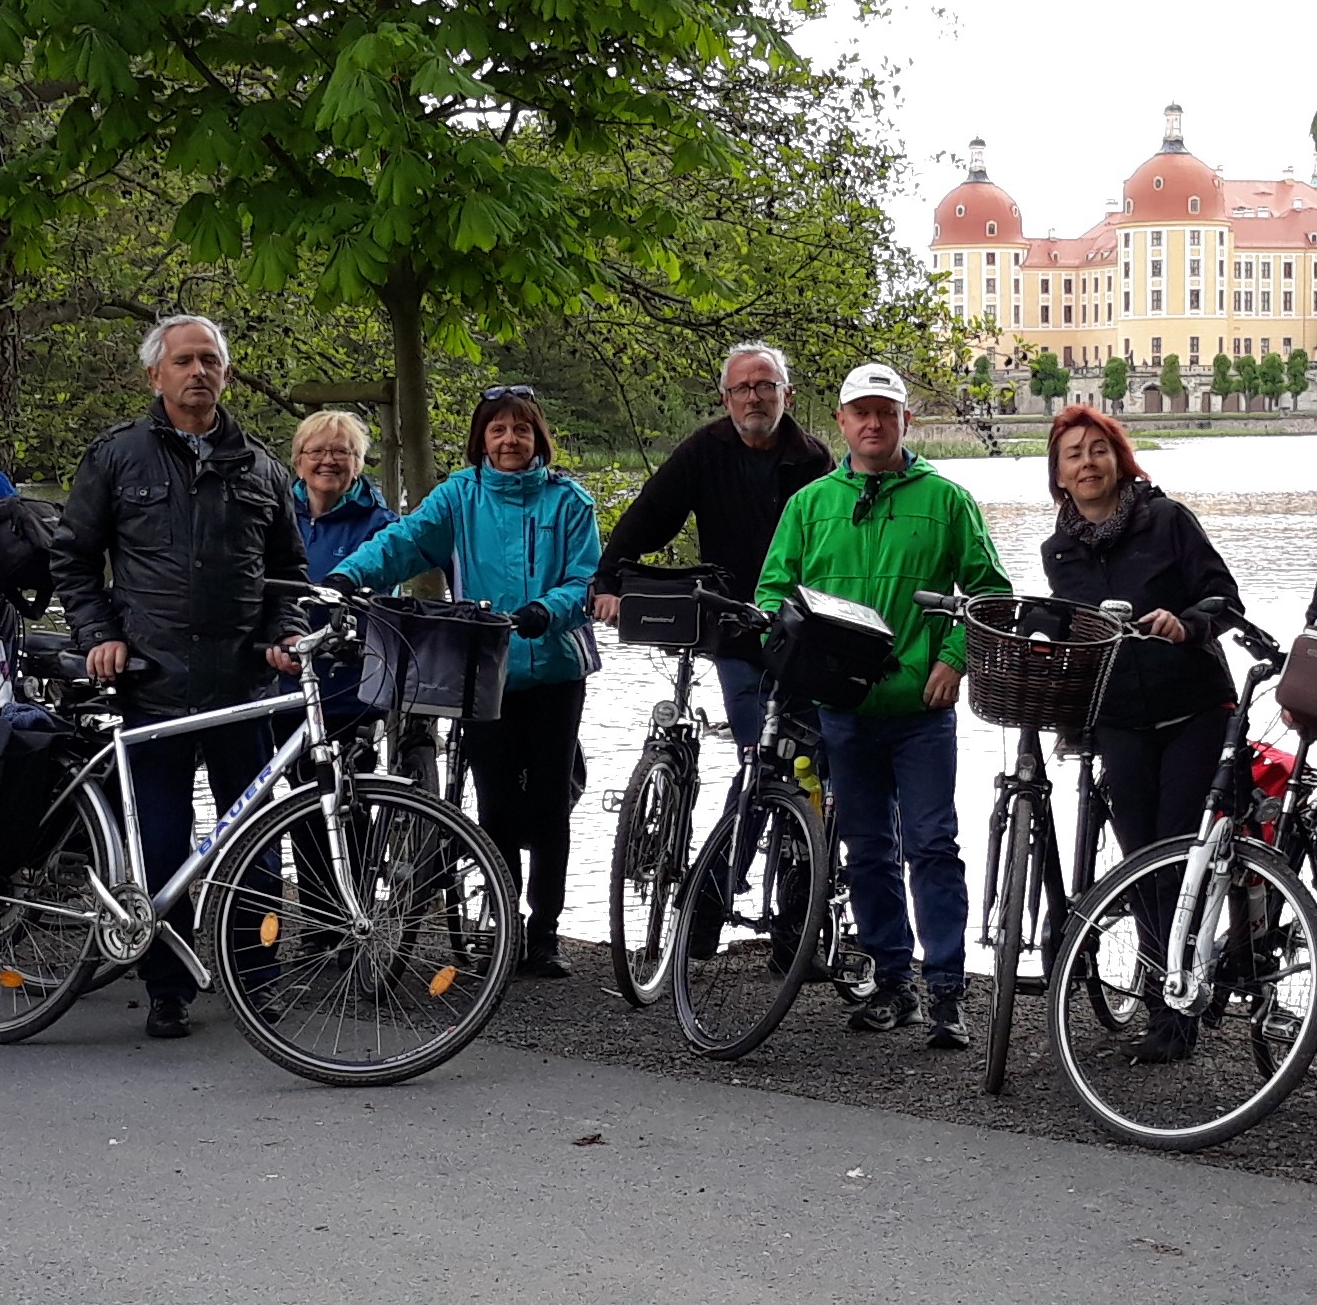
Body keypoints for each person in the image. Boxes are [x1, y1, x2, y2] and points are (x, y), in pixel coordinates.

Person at [50, 314, 309, 1040]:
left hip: (240, 685)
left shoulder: (261, 467)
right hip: (152, 680)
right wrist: (99, 635)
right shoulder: (116, 458)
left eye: (210, 361)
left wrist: (280, 633)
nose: (199, 372)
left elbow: (289, 573)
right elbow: (72, 559)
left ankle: (257, 985)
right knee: (161, 844)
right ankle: (167, 990)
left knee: (255, 843)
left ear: (225, 374)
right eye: (184, 361)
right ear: (155, 375)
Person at [756, 362, 1011, 1050]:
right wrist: (784, 643)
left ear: (906, 421)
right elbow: (773, 590)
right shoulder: (810, 504)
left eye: (886, 412)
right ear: (838, 422)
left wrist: (954, 659)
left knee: (932, 845)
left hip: (919, 711)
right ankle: (891, 981)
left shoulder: (946, 500)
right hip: (841, 709)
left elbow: (988, 596)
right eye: (859, 412)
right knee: (865, 849)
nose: (872, 424)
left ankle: (948, 992)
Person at [324, 385, 600, 978]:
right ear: (482, 439)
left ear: (537, 438)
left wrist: (547, 610)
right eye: (497, 430)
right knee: (496, 804)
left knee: (550, 805)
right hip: (482, 669)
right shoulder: (458, 495)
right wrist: (348, 576)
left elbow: (587, 580)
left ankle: (545, 933)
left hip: (553, 667)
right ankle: (505, 930)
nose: (509, 440)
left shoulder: (570, 501)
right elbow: (404, 543)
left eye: (520, 430)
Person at [1041, 403, 1243, 1063]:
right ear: (1060, 476)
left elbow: (1224, 598)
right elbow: (1072, 629)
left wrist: (1186, 623)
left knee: (1177, 858)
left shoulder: (1166, 520)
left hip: (1190, 708)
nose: (1087, 462)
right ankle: (1164, 998)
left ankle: (1177, 1014)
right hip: (1117, 720)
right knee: (1138, 864)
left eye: (1098, 449)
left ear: (1119, 458)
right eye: (1073, 454)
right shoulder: (1059, 550)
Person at [591, 343, 832, 753]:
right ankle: (746, 815)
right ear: (726, 399)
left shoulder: (814, 460)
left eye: (764, 386)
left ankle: (807, 814)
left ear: (786, 394)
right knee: (755, 749)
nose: (753, 397)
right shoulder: (703, 451)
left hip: (798, 632)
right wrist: (608, 581)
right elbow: (649, 516)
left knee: (810, 753)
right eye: (741, 388)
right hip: (733, 626)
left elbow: (833, 548)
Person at [288, 409, 397, 730]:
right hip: (282, 678)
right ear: (298, 462)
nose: (328, 460)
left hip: (349, 683)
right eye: (317, 451)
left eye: (340, 451)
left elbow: (379, 596)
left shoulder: (380, 525)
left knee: (348, 779)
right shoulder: (274, 516)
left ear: (358, 462)